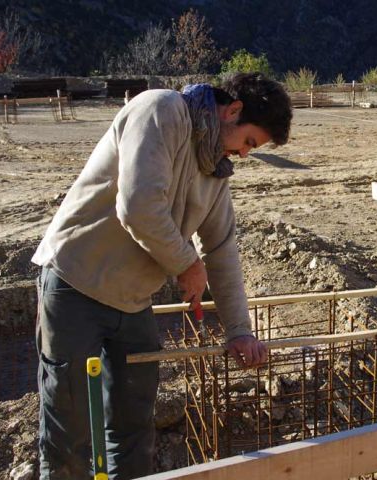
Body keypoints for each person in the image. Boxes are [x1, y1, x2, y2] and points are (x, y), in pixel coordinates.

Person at [31, 72, 293, 479]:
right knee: (70, 432)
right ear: (234, 110)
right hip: (76, 285)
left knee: (134, 427)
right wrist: (188, 264)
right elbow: (138, 205)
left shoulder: (214, 171)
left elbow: (222, 252)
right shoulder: (162, 110)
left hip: (133, 302)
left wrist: (239, 331)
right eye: (249, 142)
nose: (244, 154)